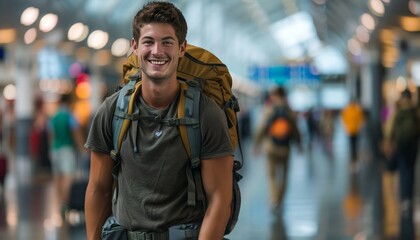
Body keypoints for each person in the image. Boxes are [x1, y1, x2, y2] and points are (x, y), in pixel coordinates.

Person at [84, 2, 234, 240]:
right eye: (148, 42)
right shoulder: (112, 110)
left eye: (167, 42)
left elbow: (219, 198)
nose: (157, 51)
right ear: (134, 46)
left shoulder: (205, 114)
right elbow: (98, 189)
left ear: (181, 48)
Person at [254, 86, 302, 211]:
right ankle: (280, 198)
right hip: (285, 147)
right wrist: (299, 144)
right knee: (284, 175)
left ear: (274, 95)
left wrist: (256, 144)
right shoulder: (289, 110)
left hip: (270, 147)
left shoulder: (269, 109)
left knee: (272, 175)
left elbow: (261, 128)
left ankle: (274, 198)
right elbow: (296, 130)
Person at [385, 89, 419, 240]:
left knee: (405, 171)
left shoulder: (399, 111)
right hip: (410, 147)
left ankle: (405, 198)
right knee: (409, 171)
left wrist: (389, 141)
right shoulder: (413, 111)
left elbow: (390, 127)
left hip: (404, 146)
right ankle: (407, 197)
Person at [49, 93, 85, 217]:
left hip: (54, 149)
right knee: (68, 177)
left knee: (58, 177)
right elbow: (76, 133)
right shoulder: (69, 116)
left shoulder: (54, 117)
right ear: (69, 102)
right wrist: (82, 148)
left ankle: (60, 202)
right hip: (67, 149)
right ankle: (65, 203)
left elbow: (51, 135)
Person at [340, 98, 365, 170]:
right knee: (353, 146)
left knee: (354, 146)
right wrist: (346, 128)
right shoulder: (349, 110)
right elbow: (344, 120)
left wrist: (359, 127)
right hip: (351, 130)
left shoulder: (355, 110)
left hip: (354, 130)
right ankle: (353, 161)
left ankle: (354, 161)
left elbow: (361, 120)